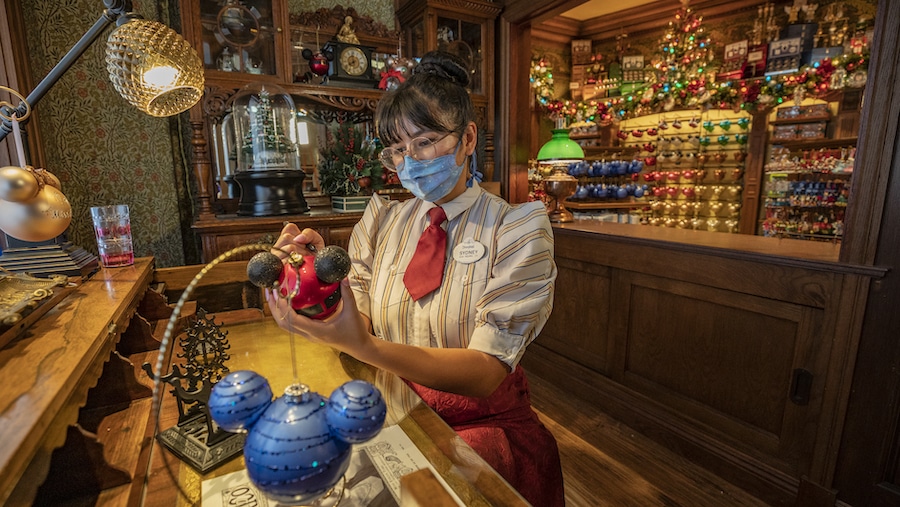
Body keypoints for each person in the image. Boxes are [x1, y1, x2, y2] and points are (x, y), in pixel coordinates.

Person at [266, 51, 564, 507]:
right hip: (391, 407)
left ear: (467, 138)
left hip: (481, 429)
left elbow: (485, 373)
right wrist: (310, 283)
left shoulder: (516, 229)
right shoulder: (384, 219)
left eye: (425, 141)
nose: (410, 161)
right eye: (398, 149)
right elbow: (354, 320)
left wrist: (366, 348)